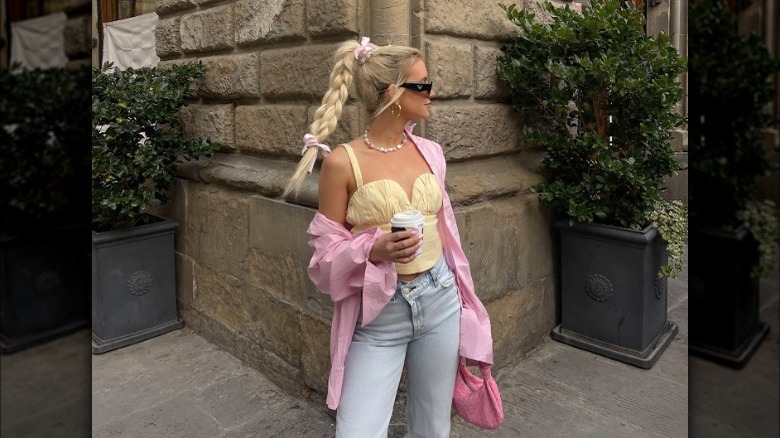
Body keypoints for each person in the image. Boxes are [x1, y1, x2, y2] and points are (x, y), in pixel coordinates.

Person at [285, 37, 494, 437]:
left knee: (433, 424)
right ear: (393, 94)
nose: (432, 92)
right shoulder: (342, 162)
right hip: (380, 314)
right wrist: (374, 247)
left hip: (440, 300)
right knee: (358, 430)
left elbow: (446, 230)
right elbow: (324, 262)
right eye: (423, 84)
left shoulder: (431, 152)